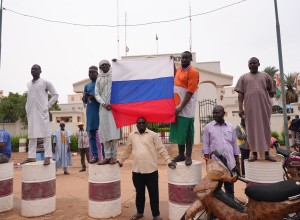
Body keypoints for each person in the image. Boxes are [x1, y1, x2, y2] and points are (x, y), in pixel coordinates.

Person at [119, 117, 176, 220]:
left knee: (154, 194)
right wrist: (121, 161)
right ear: (136, 125)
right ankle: (139, 212)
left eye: (143, 123)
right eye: (139, 123)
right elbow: (127, 150)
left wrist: (168, 161)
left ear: (146, 124)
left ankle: (156, 214)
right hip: (137, 171)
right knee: (139, 193)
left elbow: (161, 148)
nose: (141, 125)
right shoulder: (132, 136)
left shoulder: (153, 135)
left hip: (151, 171)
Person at [235, 57, 276, 162]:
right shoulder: (243, 77)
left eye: (254, 63)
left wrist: (264, 100)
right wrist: (240, 108)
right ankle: (253, 153)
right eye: (250, 63)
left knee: (265, 128)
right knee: (251, 129)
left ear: (259, 64)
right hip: (250, 107)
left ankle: (267, 153)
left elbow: (271, 92)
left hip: (264, 107)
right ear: (248, 65)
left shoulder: (266, 76)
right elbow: (240, 94)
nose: (252, 64)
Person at [22, 64, 58, 165]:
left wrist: (47, 105)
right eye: (32, 69)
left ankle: (48, 156)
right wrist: (27, 108)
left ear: (40, 71)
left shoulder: (45, 82)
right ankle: (31, 156)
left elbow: (55, 94)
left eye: (36, 69)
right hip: (31, 113)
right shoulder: (29, 84)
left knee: (46, 134)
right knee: (32, 134)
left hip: (42, 112)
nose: (34, 70)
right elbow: (29, 98)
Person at [202, 105, 240, 197]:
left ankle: (231, 208)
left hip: (230, 164)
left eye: (217, 112)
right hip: (216, 166)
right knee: (215, 190)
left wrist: (238, 164)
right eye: (214, 113)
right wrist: (208, 164)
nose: (215, 115)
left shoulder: (230, 127)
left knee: (230, 191)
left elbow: (235, 145)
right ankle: (216, 210)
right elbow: (205, 146)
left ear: (223, 113)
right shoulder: (208, 127)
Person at [170, 51, 200, 166]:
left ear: (190, 59)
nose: (184, 60)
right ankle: (181, 154)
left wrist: (181, 107)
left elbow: (190, 91)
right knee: (180, 132)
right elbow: (174, 75)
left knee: (187, 132)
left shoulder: (193, 72)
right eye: (182, 58)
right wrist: (171, 63)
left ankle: (188, 155)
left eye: (186, 58)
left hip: (186, 107)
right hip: (177, 105)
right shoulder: (179, 70)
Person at [95, 60, 120, 165]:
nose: (104, 67)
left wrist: (116, 62)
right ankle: (107, 156)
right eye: (102, 65)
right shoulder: (99, 79)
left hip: (115, 108)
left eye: (106, 65)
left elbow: (121, 70)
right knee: (105, 133)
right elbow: (96, 93)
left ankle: (114, 157)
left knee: (114, 134)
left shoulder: (114, 75)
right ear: (100, 68)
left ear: (109, 66)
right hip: (103, 109)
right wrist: (103, 103)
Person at [83, 66, 100, 164]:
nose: (91, 74)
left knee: (103, 135)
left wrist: (95, 97)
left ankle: (105, 155)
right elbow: (85, 101)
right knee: (91, 135)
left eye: (93, 72)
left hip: (100, 112)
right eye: (90, 72)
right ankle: (95, 155)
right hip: (90, 112)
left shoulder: (100, 84)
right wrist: (85, 97)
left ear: (97, 73)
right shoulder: (87, 86)